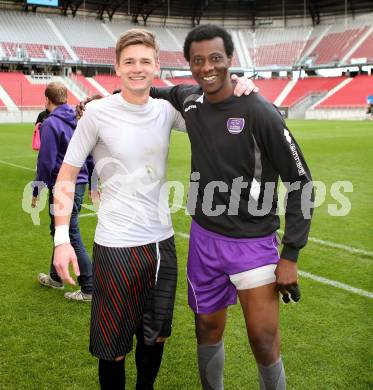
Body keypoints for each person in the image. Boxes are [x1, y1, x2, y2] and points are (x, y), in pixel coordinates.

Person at [52, 29, 254, 390]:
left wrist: (236, 84)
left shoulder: (165, 112)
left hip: (161, 245)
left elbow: (210, 109)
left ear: (156, 66)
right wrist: (61, 239)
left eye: (145, 61)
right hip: (115, 246)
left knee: (155, 337)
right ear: (117, 66)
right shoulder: (97, 113)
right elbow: (66, 176)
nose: (137, 68)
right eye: (129, 61)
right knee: (112, 349)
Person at [149, 25, 314, 389]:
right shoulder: (190, 100)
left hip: (253, 246)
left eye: (215, 59)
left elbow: (301, 181)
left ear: (230, 61)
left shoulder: (259, 111)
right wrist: (103, 100)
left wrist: (290, 255)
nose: (207, 67)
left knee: (263, 341)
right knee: (206, 331)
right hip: (204, 241)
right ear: (190, 64)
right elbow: (150, 91)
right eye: (198, 60)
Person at [32, 81, 93, 302]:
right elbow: (90, 155)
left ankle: (89, 286)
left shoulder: (50, 124)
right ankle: (56, 277)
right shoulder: (79, 119)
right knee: (60, 229)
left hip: (63, 184)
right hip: (79, 181)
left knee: (69, 232)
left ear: (47, 100)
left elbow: (46, 162)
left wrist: (37, 188)